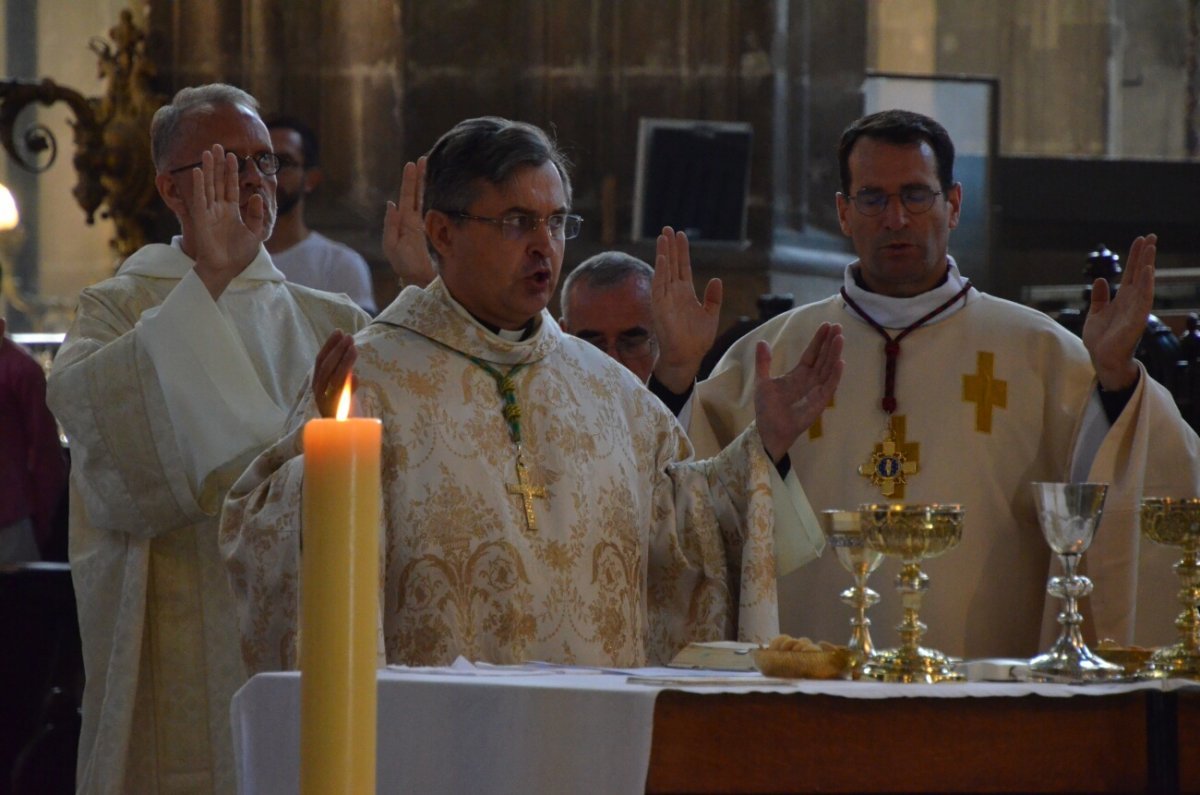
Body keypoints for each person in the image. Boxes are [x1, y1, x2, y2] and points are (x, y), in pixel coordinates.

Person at [221, 116, 842, 673]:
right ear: (442, 230)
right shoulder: (373, 376)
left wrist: (763, 451)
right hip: (437, 746)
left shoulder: (610, 394)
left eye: (557, 221)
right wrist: (321, 467)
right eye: (518, 222)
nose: (545, 244)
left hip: (586, 743)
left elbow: (691, 535)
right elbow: (258, 543)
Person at [688, 109, 1200, 659]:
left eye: (916, 195)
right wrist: (712, 405)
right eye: (872, 198)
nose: (895, 218)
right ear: (843, 211)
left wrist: (1119, 382)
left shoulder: (1042, 352)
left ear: (953, 204)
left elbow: (1126, 488)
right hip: (807, 681)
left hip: (989, 688)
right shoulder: (772, 354)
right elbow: (688, 515)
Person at [47, 84, 370, 794]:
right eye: (232, 165)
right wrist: (210, 283)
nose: (257, 182)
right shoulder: (119, 307)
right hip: (179, 641)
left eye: (265, 164)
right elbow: (107, 448)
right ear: (170, 187)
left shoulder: (329, 315)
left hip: (304, 640)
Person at [385, 158, 720, 401]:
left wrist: (677, 369)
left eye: (632, 342)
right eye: (594, 343)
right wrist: (424, 281)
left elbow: (678, 484)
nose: (614, 361)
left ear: (659, 338)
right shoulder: (526, 394)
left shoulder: (663, 410)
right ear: (562, 335)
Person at [265, 115, 377, 313]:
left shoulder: (340, 265)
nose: (271, 174)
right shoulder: (225, 260)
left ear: (311, 179)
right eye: (264, 161)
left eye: (284, 162)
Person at [0, 318, 67, 563]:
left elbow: (45, 454)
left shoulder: (20, 370)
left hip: (11, 522)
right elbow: (46, 456)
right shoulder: (20, 368)